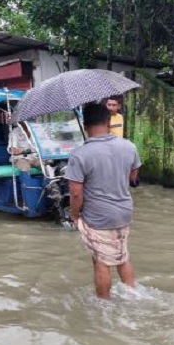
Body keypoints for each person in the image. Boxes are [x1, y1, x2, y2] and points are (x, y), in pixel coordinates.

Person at [65, 102, 141, 300]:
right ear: (108, 122)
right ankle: (133, 295)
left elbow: (75, 194)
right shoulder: (128, 146)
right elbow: (133, 177)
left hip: (98, 215)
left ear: (85, 124)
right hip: (124, 210)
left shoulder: (79, 154)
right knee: (122, 255)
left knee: (101, 261)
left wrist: (74, 215)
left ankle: (103, 304)